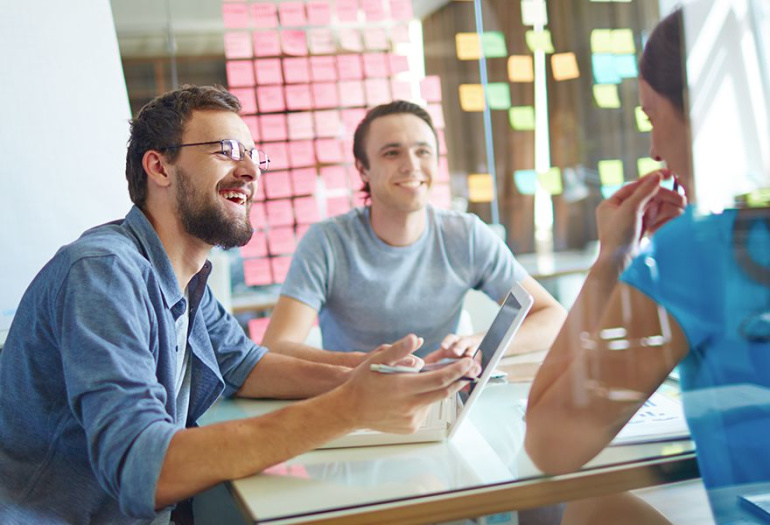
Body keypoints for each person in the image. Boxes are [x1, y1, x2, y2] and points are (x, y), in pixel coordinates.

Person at [0, 85, 479, 523]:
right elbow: (142, 467)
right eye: (226, 151)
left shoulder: (186, 275)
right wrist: (347, 408)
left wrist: (363, 375)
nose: (250, 171)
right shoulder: (104, 272)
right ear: (160, 167)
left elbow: (246, 365)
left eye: (253, 155)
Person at [525, 9, 770, 522]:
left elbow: (549, 443)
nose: (655, 149)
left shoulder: (703, 248)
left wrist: (613, 259)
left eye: (652, 117)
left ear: (704, 110)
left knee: (591, 512)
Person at [262, 100, 566, 366]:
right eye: (392, 153)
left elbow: (552, 316)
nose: (411, 166)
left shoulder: (467, 235)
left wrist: (481, 346)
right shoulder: (327, 242)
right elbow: (277, 347)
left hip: (442, 395)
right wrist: (367, 366)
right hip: (353, 397)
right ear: (363, 169)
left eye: (423, 151)